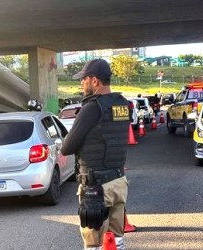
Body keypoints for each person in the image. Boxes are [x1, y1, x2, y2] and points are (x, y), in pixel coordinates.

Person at [61, 59, 130, 250]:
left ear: (94, 81)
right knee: (117, 239)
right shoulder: (122, 104)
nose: (81, 83)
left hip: (96, 187)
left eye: (83, 79)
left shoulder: (91, 108)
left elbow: (66, 148)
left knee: (94, 243)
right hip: (118, 182)